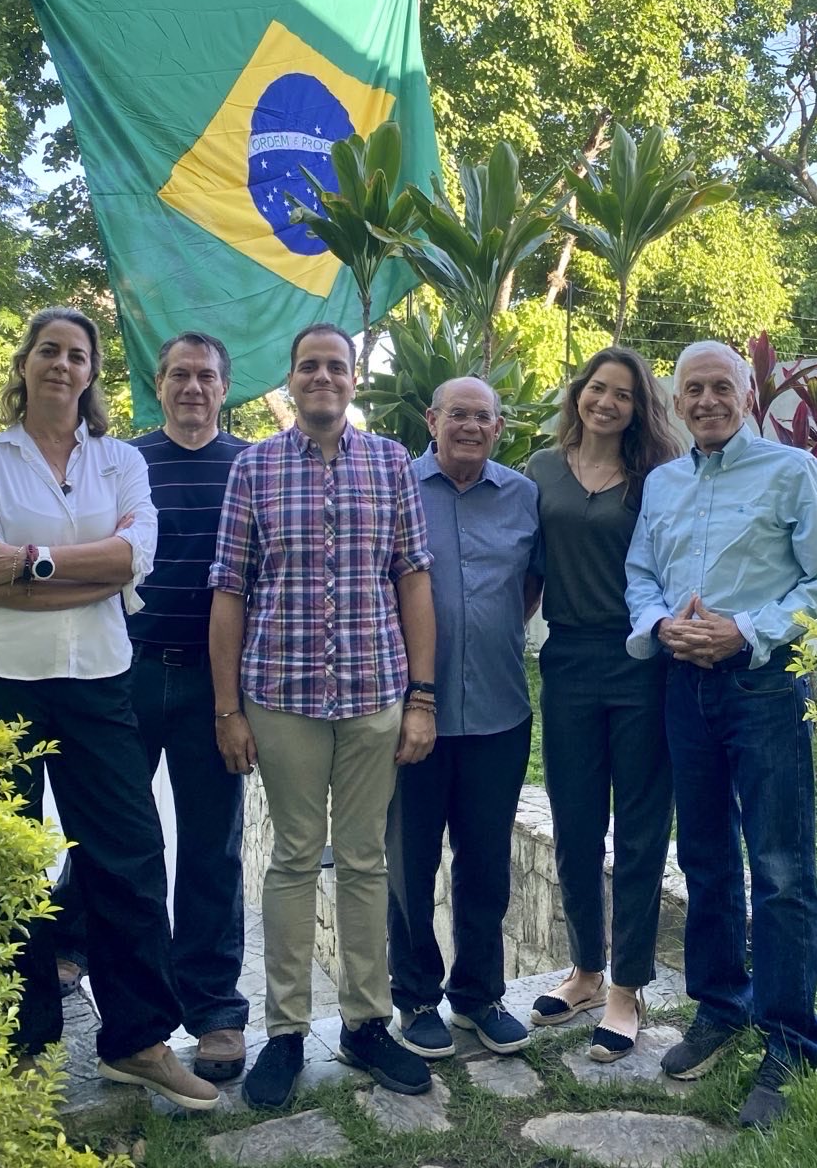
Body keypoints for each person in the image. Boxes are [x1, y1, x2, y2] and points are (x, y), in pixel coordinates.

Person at [0, 306, 219, 1109]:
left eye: (78, 354)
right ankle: (21, 1044)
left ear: (94, 372)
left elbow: (136, 560)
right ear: (25, 364)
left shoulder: (120, 462)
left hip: (99, 681)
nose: (63, 365)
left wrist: (28, 561)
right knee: (7, 865)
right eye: (49, 351)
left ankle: (136, 1042)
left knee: (130, 857)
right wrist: (87, 578)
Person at [625, 340, 817, 1130]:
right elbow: (641, 575)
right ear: (677, 402)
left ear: (749, 392)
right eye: (693, 389)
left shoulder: (793, 472)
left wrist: (744, 630)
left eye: (722, 386)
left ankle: (792, 1038)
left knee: (782, 867)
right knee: (707, 856)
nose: (707, 400)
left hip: (764, 686)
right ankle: (721, 1007)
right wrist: (661, 625)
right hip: (683, 688)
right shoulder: (662, 481)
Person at [209, 323, 438, 1110]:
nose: (322, 378)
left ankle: (368, 1025)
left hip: (376, 693)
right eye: (308, 366)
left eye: (335, 366)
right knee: (295, 860)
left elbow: (413, 578)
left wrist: (422, 697)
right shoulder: (254, 466)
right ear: (291, 379)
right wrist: (227, 708)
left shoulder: (392, 463)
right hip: (282, 697)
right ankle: (285, 1034)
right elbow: (230, 588)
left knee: (368, 860)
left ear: (351, 380)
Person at [52, 332, 251, 1081]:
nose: (192, 387)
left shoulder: (248, 465)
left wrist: (241, 698)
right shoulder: (124, 463)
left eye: (206, 375)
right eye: (179, 375)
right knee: (111, 834)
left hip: (214, 683)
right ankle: (76, 947)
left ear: (224, 388)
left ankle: (215, 1011)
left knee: (211, 846)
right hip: (123, 670)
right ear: (157, 385)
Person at [525, 348, 681, 1060]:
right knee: (576, 822)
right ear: (579, 394)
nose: (607, 402)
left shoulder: (658, 481)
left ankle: (627, 989)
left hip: (642, 662)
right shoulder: (541, 469)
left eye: (623, 394)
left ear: (638, 407)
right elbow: (525, 568)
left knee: (643, 829)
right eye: (597, 388)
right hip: (567, 660)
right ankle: (586, 970)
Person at [387, 377, 544, 1059]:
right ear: (433, 418)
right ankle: (416, 999)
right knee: (408, 866)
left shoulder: (522, 495)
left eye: (484, 416)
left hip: (499, 713)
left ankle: (478, 996)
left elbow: (530, 586)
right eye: (459, 414)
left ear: (499, 426)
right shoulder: (397, 487)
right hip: (407, 716)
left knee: (485, 866)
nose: (471, 426)